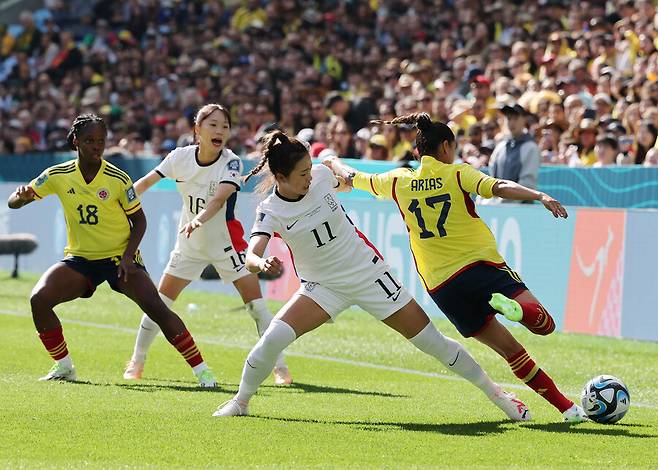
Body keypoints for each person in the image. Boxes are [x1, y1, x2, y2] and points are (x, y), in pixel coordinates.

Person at [212, 130, 531, 421]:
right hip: (322, 288)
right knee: (273, 338)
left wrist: (338, 169)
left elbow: (347, 184)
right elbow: (253, 252)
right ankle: (240, 402)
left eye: (310, 170)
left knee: (432, 342)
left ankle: (499, 396)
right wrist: (259, 263)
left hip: (370, 276)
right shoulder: (270, 210)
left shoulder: (322, 176)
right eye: (302, 174)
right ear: (280, 177)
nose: (310, 177)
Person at [325, 113, 588, 423]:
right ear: (447, 146)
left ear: (415, 153)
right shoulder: (458, 174)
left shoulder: (397, 180)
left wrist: (332, 162)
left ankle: (568, 409)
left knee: (511, 352)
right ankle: (517, 313)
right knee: (544, 325)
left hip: (443, 288)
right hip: (480, 267)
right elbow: (499, 186)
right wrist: (539, 195)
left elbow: (353, 177)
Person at [7, 114, 215, 385]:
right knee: (39, 300)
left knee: (157, 308)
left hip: (119, 258)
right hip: (80, 259)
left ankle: (203, 371)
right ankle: (64, 366)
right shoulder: (57, 175)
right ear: (75, 142)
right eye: (90, 140)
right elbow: (14, 202)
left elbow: (139, 220)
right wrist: (20, 198)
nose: (96, 146)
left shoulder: (117, 178)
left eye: (101, 141)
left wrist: (129, 257)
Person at [123, 104, 292, 385]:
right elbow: (145, 183)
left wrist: (199, 219)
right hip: (189, 243)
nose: (220, 131)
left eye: (225, 126)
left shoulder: (232, 162)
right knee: (158, 303)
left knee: (256, 308)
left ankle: (280, 366)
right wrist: (121, 200)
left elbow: (218, 200)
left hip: (227, 243)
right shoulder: (179, 157)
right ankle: (137, 361)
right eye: (213, 124)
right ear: (197, 130)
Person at [488, 104, 540, 197]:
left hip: (520, 208)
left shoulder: (531, 148)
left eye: (515, 118)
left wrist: (503, 200)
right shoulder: (501, 146)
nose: (511, 123)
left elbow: (527, 184)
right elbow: (492, 178)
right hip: (498, 205)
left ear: (524, 120)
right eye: (509, 118)